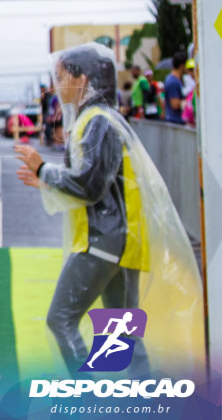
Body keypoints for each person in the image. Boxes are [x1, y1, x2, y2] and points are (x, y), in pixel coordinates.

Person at [14, 43, 203, 377]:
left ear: (81, 79)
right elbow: (99, 182)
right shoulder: (103, 119)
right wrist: (47, 179)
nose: (57, 84)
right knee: (120, 334)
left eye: (61, 76)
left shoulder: (96, 121)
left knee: (61, 320)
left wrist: (44, 170)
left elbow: (90, 185)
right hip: (123, 241)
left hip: (104, 241)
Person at [163, 51, 187, 125]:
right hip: (176, 121)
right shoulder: (173, 82)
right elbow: (174, 104)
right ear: (181, 65)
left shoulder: (175, 79)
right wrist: (188, 102)